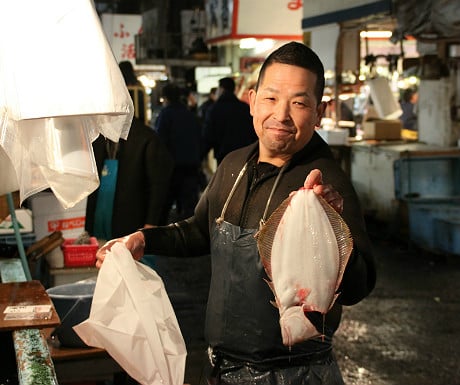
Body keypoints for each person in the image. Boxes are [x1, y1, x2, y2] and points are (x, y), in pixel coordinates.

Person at [96, 42, 376, 385]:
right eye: (271, 98)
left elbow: (359, 287)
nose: (282, 115)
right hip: (223, 370)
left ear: (320, 112)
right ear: (253, 99)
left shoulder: (325, 183)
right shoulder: (233, 165)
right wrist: (143, 239)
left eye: (300, 103)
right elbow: (199, 231)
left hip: (295, 376)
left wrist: (335, 233)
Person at [85, 64, 174, 241]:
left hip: (132, 225)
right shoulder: (98, 136)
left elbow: (158, 186)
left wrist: (151, 223)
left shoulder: (146, 138)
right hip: (98, 224)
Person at [155, 83, 203, 222]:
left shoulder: (165, 115)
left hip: (171, 169)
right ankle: (188, 240)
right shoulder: (190, 115)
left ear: (165, 98)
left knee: (164, 208)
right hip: (191, 168)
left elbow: (160, 142)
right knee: (189, 211)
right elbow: (200, 139)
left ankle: (165, 239)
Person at [202, 76, 258, 165]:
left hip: (223, 157)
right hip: (244, 156)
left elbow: (208, 136)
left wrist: (201, 156)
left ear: (221, 89)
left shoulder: (214, 109)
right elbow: (253, 133)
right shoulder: (244, 108)